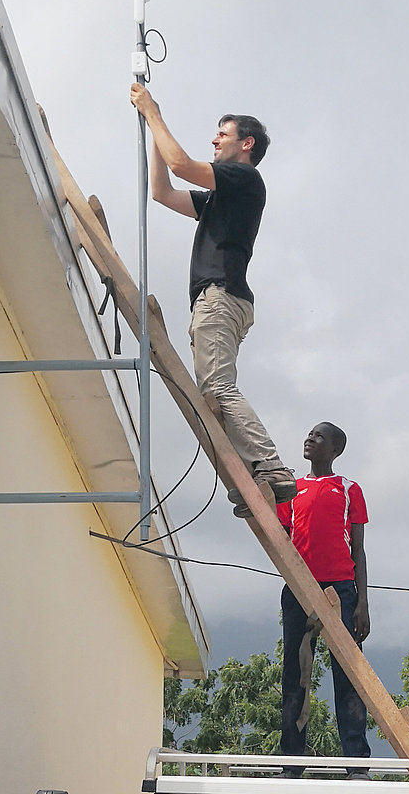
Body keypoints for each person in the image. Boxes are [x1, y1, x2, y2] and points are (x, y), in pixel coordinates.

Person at [129, 82, 295, 510]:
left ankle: (271, 466)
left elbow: (181, 165)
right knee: (214, 391)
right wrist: (151, 129)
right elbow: (162, 193)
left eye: (222, 133)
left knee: (219, 389)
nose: (215, 139)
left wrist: (155, 115)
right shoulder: (224, 196)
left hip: (220, 297)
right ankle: (254, 474)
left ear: (246, 143)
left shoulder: (243, 177)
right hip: (221, 299)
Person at [274, 422, 371, 779]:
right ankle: (291, 764)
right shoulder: (293, 490)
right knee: (295, 674)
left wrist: (362, 602)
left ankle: (357, 763)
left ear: (335, 450)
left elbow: (358, 549)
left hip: (342, 588)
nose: (309, 438)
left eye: (318, 436)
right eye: (308, 434)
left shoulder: (349, 489)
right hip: (299, 588)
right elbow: (280, 534)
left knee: (348, 672)